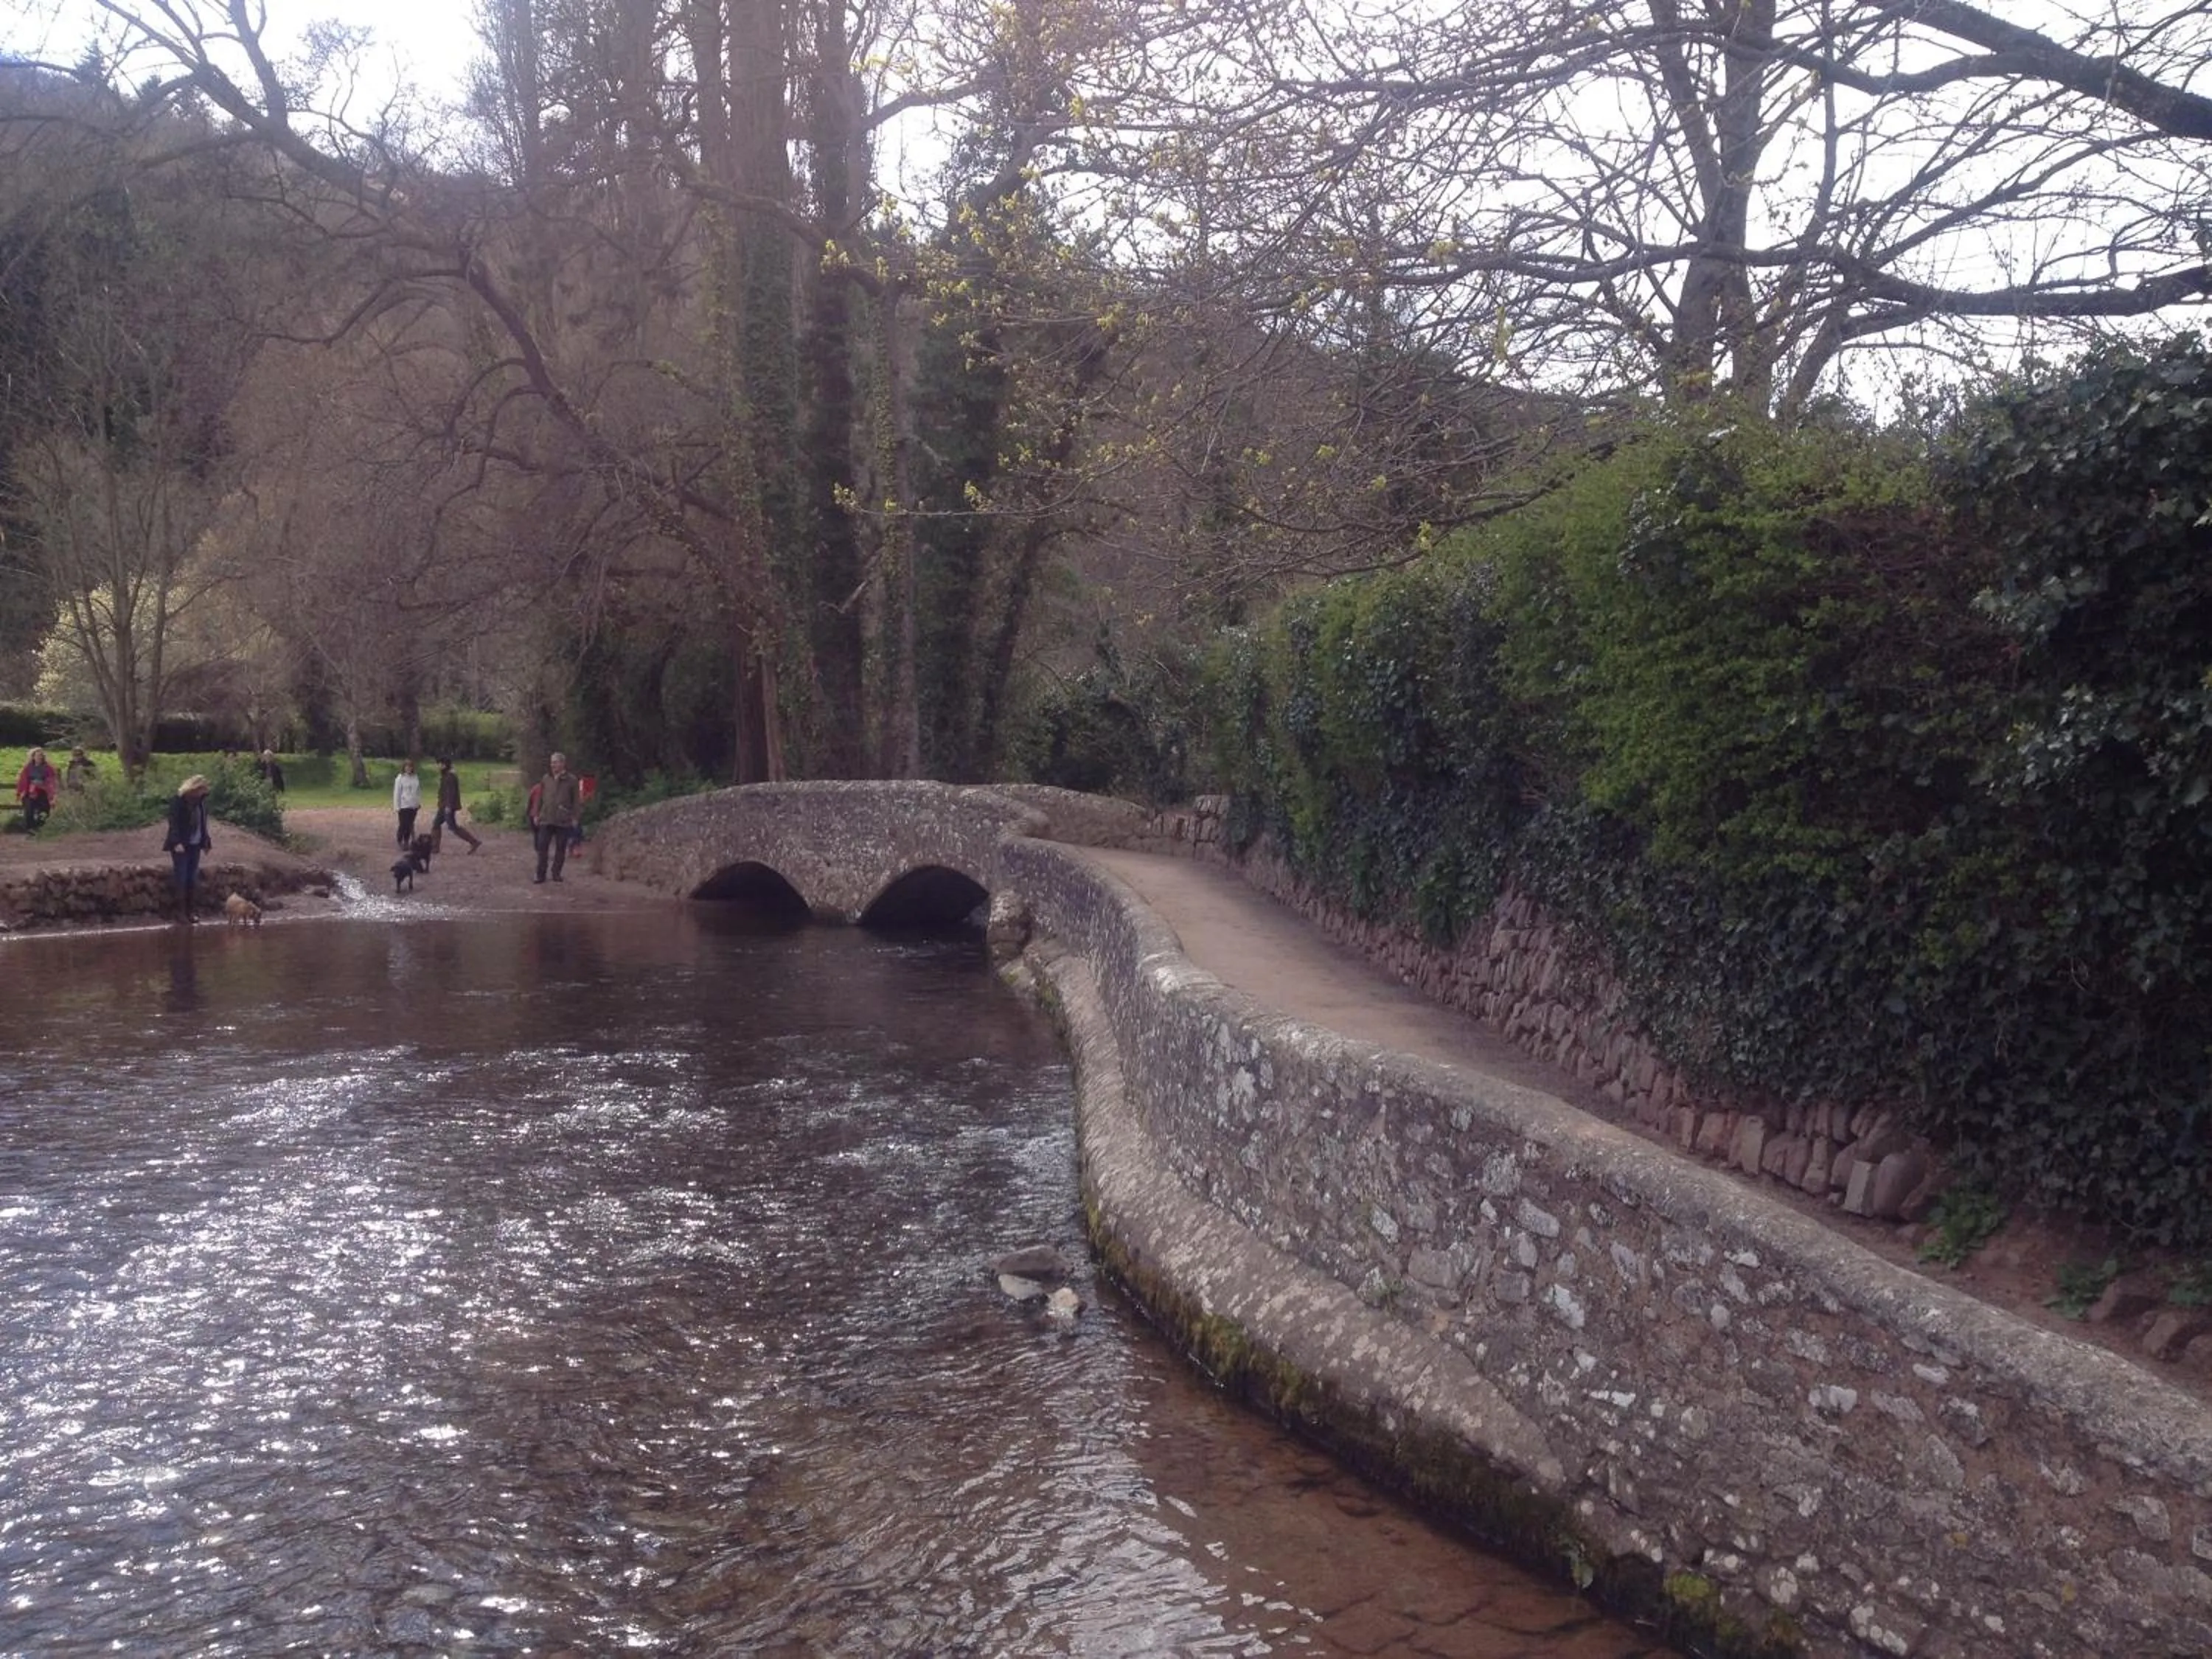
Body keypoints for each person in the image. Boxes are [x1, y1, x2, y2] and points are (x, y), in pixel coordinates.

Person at [162, 773, 214, 924]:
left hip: (195, 845)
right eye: (201, 790)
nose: (203, 794)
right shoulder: (179, 801)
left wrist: (206, 842)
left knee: (192, 878)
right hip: (181, 845)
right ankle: (181, 912)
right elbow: (174, 822)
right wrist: (176, 841)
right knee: (182, 878)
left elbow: (203, 824)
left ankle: (191, 912)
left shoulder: (201, 803)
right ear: (194, 788)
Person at [532, 751, 582, 883]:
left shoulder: (572, 780)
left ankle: (556, 873)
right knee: (542, 847)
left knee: (561, 848)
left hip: (563, 819)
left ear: (562, 763)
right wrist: (536, 813)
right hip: (546, 817)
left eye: (555, 762)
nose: (552, 765)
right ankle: (540, 875)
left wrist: (576, 817)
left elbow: (577, 801)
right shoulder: (546, 778)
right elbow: (540, 798)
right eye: (552, 762)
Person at [431, 757, 480, 853]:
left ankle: (474, 842)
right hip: (443, 805)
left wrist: (448, 806)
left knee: (452, 826)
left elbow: (451, 793)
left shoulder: (450, 777)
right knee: (436, 825)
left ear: (444, 765)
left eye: (440, 764)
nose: (438, 766)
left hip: (447, 806)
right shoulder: (446, 776)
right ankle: (435, 847)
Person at [15, 747, 59, 830]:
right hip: (30, 792)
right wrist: (19, 792)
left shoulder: (48, 768)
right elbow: (22, 780)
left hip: (43, 791)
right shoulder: (28, 768)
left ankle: (41, 829)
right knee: (29, 811)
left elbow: (52, 780)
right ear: (33, 757)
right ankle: (30, 829)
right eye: (38, 756)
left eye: (41, 756)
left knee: (44, 811)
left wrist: (46, 787)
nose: (40, 757)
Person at [392, 758, 423, 849]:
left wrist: (418, 802)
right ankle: (400, 840)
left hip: (413, 805)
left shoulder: (415, 777)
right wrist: (397, 806)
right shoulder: (400, 778)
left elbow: (418, 791)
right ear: (404, 768)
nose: (409, 769)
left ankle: (407, 841)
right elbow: (397, 792)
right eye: (407, 767)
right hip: (404, 805)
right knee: (403, 824)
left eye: (410, 767)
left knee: (410, 824)